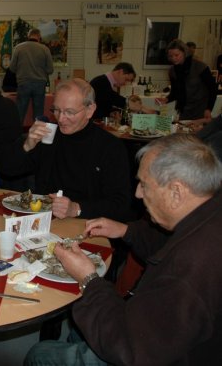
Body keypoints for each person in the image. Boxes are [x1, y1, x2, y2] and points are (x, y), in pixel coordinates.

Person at [24, 134, 222, 366]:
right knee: (79, 331)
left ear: (177, 193)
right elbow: (164, 243)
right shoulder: (208, 214)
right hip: (160, 331)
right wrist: (125, 230)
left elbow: (130, 349)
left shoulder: (191, 269)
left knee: (40, 355)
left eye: (144, 185)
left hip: (150, 350)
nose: (137, 193)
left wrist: (88, 279)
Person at [12, 79, 131, 221]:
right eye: (56, 110)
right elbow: (11, 171)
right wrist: (27, 146)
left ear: (90, 110)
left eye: (69, 112)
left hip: (88, 224)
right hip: (45, 221)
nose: (61, 119)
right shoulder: (49, 137)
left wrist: (77, 208)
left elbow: (121, 205)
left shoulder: (110, 147)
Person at [160, 39, 217, 120]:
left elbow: (213, 89)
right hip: (184, 110)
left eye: (176, 55)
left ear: (184, 53)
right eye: (171, 56)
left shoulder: (200, 66)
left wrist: (208, 109)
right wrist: (167, 99)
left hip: (201, 110)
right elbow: (175, 92)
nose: (173, 58)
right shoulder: (172, 71)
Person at [9, 28, 54, 124]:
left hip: (23, 83)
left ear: (28, 36)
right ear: (39, 37)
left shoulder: (19, 48)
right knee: (38, 114)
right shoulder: (45, 49)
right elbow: (50, 70)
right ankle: (37, 137)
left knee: (20, 112)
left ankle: (17, 135)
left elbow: (12, 68)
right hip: (40, 85)